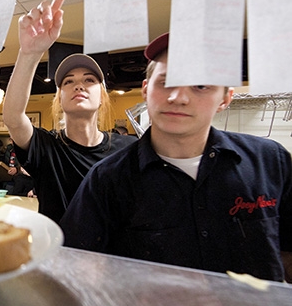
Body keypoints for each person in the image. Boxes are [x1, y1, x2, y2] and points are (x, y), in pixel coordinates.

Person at [61, 33, 292, 282]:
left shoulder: (270, 161)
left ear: (225, 98)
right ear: (146, 90)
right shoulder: (107, 179)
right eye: (166, 82)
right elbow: (77, 268)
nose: (178, 98)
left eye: (200, 86)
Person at [2, 0, 136, 222]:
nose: (78, 85)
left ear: (102, 96)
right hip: (58, 256)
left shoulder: (127, 150)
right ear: (59, 98)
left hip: (111, 257)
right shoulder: (47, 148)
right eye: (68, 81)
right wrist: (29, 53)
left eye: (89, 80)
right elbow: (12, 117)